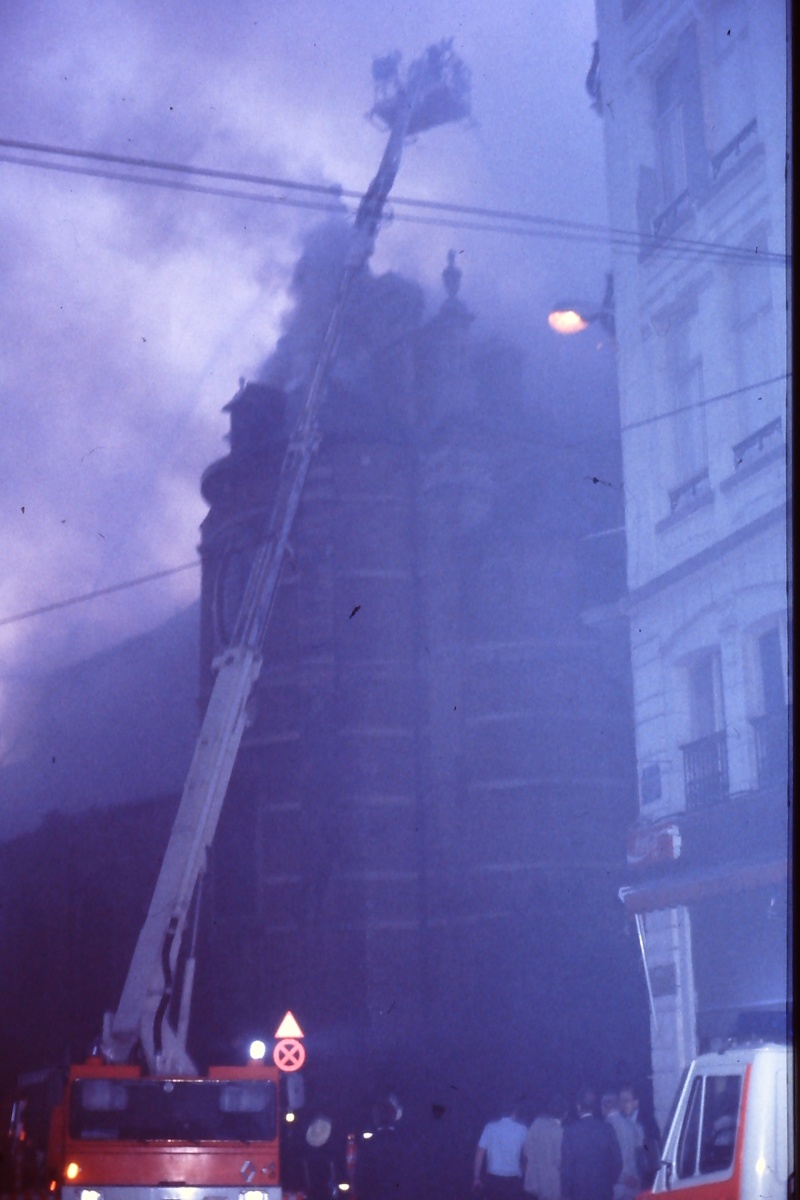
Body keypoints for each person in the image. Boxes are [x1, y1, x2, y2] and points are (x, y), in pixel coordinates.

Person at [560, 1087, 622, 1200]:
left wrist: (566, 1193)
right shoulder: (606, 1129)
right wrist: (609, 1181)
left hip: (579, 1192)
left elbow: (567, 1167)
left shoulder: (570, 1131)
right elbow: (617, 1161)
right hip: (603, 1190)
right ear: (594, 1107)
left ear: (578, 1107)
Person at [473, 1102, 528, 1200]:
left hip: (493, 1179)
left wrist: (476, 1177)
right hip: (513, 1179)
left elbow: (479, 1154)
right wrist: (523, 1172)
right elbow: (526, 1155)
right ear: (514, 1111)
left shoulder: (490, 1127)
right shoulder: (522, 1129)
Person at [354, 1099, 405, 1200]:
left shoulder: (368, 1146)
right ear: (394, 1117)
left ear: (375, 1119)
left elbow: (360, 1179)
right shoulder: (405, 1144)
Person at [521, 1093, 566, 1200]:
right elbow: (559, 1160)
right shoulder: (560, 1131)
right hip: (551, 1183)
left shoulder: (537, 1123)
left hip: (534, 1179)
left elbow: (525, 1149)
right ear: (565, 1113)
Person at [619, 1083, 660, 1189]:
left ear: (636, 1102)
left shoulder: (647, 1122)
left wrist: (643, 1146)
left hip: (645, 1177)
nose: (623, 1105)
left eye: (626, 1101)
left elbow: (651, 1149)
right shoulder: (621, 1122)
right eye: (621, 1101)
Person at [601, 1092, 640, 1200]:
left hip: (617, 1184)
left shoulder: (607, 1126)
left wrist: (624, 1177)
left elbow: (614, 1156)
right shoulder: (632, 1125)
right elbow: (639, 1151)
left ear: (603, 1107)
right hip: (634, 1181)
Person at [302, 1115, 337, 1200]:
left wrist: (308, 1184)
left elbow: (306, 1168)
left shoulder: (309, 1151)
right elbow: (332, 1167)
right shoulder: (327, 1150)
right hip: (323, 1185)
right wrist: (333, 1180)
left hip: (315, 1185)